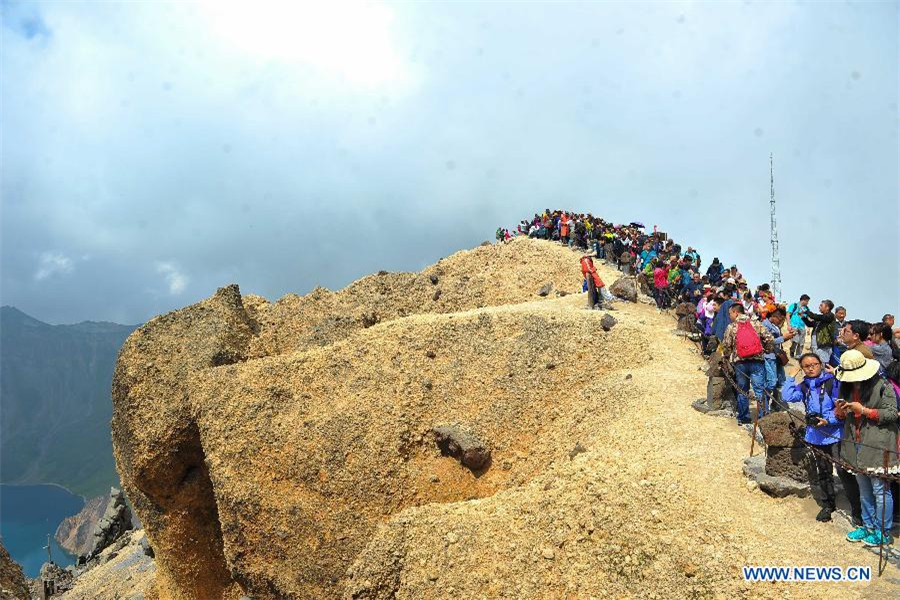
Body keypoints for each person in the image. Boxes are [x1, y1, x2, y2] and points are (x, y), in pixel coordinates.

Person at [834, 349, 899, 547]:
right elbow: (841, 416)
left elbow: (891, 414)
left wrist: (863, 410)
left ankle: (883, 531)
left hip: (878, 443)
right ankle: (868, 526)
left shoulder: (882, 386)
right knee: (864, 488)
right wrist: (840, 412)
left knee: (880, 490)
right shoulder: (845, 387)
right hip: (855, 441)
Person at [782, 353, 856, 522]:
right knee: (823, 471)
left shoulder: (832, 382)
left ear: (820, 364)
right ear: (802, 368)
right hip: (816, 436)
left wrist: (827, 420)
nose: (811, 368)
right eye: (806, 366)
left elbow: (842, 409)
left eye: (814, 364)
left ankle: (857, 509)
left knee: (844, 471)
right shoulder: (804, 386)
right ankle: (828, 505)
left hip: (835, 434)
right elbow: (786, 396)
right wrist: (791, 376)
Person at [721, 303, 775, 424]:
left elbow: (726, 345)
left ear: (736, 312)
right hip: (757, 361)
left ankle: (743, 418)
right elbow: (769, 338)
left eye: (730, 313)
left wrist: (727, 355)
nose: (730, 316)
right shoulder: (756, 323)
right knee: (760, 390)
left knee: (742, 391)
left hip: (740, 363)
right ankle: (763, 418)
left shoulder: (732, 326)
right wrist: (766, 350)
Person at [762, 308, 793, 409]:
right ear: (775, 317)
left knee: (780, 381)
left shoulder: (775, 325)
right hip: (769, 356)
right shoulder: (765, 325)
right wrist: (784, 338)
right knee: (771, 382)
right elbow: (768, 341)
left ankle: (776, 405)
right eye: (780, 320)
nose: (781, 322)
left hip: (776, 356)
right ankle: (764, 406)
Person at [806, 299, 837, 365]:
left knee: (823, 364)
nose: (819, 307)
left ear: (827, 307)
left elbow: (816, 317)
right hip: (816, 345)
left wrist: (807, 312)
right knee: (815, 364)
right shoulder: (820, 319)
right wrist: (803, 317)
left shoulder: (830, 316)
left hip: (823, 346)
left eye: (821, 305)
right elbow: (810, 324)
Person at [787, 295, 811, 359]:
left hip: (802, 327)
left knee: (801, 342)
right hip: (794, 326)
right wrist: (789, 325)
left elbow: (808, 318)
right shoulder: (794, 306)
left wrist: (808, 328)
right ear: (803, 300)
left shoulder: (807, 309)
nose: (807, 303)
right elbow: (788, 315)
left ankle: (798, 355)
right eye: (807, 301)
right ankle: (792, 350)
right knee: (795, 340)